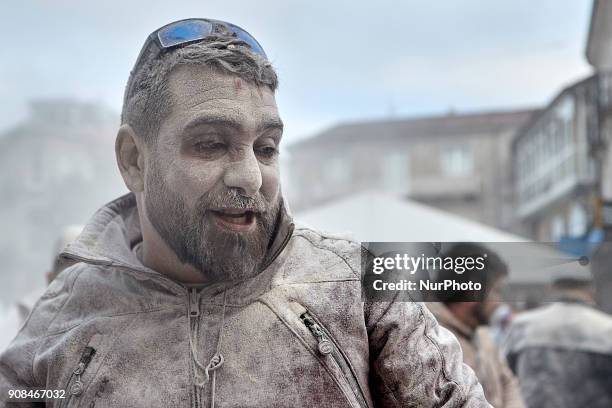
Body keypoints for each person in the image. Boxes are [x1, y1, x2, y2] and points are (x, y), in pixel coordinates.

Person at [0, 19, 490, 407]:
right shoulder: (63, 315)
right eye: (211, 144)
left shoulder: (360, 291)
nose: (251, 177)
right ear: (134, 160)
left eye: (267, 147)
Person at [427, 243, 525, 408]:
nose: (499, 302)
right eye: (496, 291)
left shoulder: (483, 334)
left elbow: (508, 382)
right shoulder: (429, 338)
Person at [503, 276, 612, 408]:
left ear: (551, 290)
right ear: (591, 291)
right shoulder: (606, 329)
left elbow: (506, 378)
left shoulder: (522, 326)